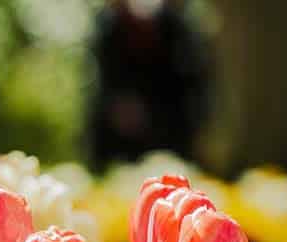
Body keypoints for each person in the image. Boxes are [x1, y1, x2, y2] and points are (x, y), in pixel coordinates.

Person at [89, 0, 209, 168]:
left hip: (170, 128)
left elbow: (193, 81)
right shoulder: (109, 26)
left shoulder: (177, 27)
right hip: (117, 136)